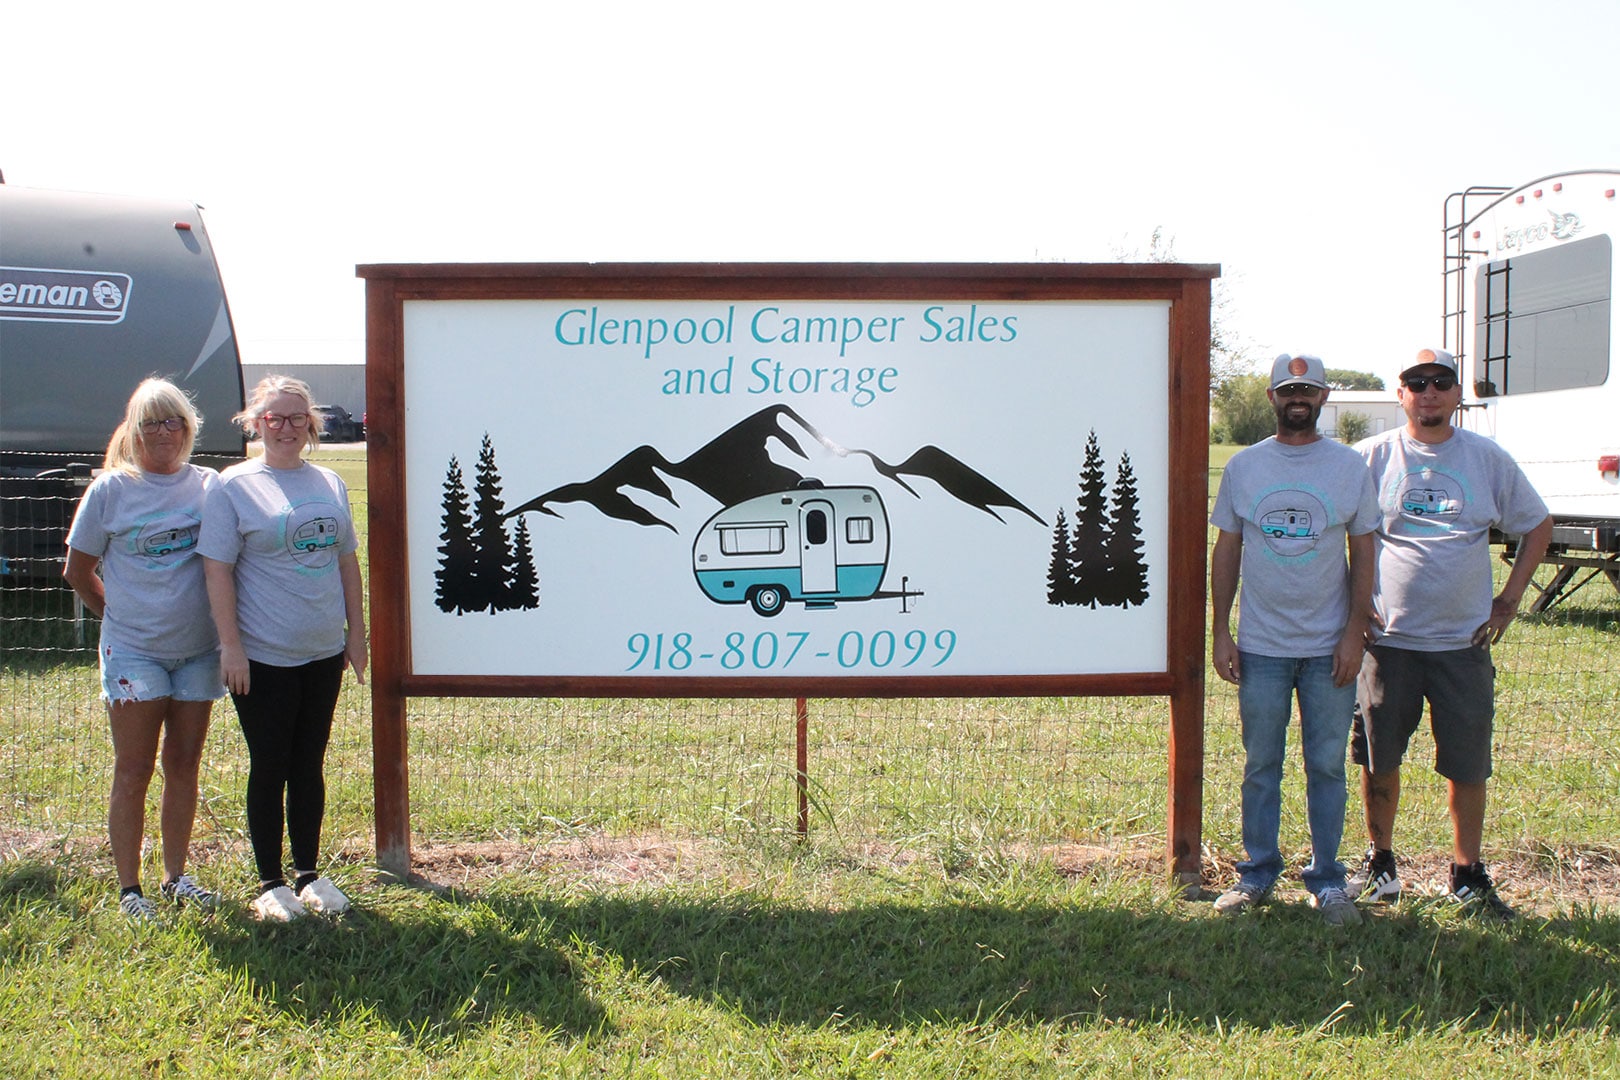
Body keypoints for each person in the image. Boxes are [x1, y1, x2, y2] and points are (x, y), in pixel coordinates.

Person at [1349, 347, 1553, 919]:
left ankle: (1466, 873)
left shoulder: (1487, 459)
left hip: (1463, 645)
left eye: (1441, 381)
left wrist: (1508, 601)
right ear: (1401, 393)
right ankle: (1381, 864)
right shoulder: (1370, 458)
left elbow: (1537, 525)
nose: (1430, 392)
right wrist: (1353, 604)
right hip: (1388, 643)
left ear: (1457, 392)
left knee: (1467, 763)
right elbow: (1337, 530)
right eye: (1418, 382)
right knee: (1378, 755)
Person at [1210, 353, 1381, 924]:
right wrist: (1221, 631)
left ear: (1324, 397)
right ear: (1272, 398)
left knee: (1327, 765)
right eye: (1288, 389)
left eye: (1308, 388)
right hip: (1260, 647)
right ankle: (1258, 874)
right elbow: (1227, 550)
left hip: (1329, 648)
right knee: (1261, 764)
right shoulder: (1245, 467)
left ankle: (1327, 880)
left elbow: (1365, 554)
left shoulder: (1349, 468)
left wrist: (1355, 633)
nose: (1298, 397)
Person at [200, 376, 368, 922]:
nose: (286, 427)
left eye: (297, 418)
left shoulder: (329, 482)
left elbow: (346, 562)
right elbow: (217, 570)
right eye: (274, 417)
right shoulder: (234, 486)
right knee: (270, 764)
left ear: (312, 425)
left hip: (323, 651)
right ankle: (270, 882)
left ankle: (310, 874)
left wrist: (355, 635)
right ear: (255, 422)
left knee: (309, 763)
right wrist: (231, 648)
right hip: (263, 656)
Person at [63, 378, 224, 922]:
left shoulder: (208, 485)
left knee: (184, 765)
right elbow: (77, 571)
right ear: (133, 430)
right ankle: (131, 890)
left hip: (200, 652)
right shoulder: (110, 491)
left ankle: (176, 877)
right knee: (134, 770)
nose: (164, 431)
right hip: (135, 655)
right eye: (152, 421)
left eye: (174, 420)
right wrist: (119, 617)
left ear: (189, 427)